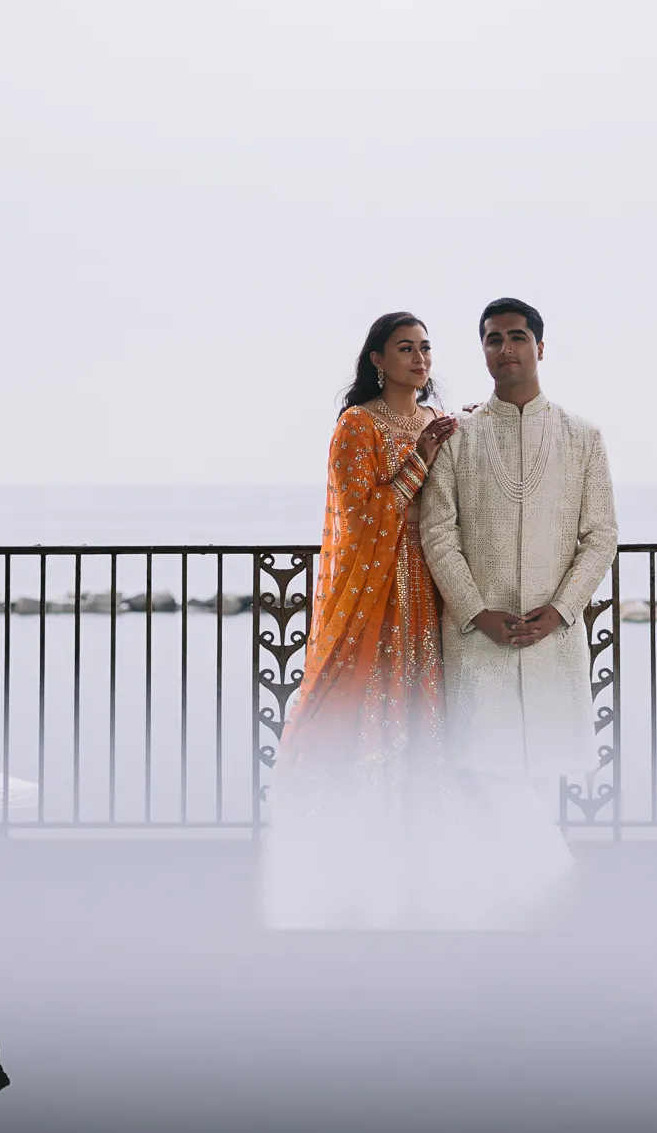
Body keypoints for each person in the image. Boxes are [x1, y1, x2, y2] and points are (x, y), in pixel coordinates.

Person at [263, 311, 457, 927]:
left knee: (425, 708)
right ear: (377, 359)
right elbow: (358, 515)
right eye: (405, 348)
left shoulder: (434, 420)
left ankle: (423, 854)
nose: (420, 359)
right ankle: (356, 854)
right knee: (371, 704)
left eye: (425, 348)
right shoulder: (357, 425)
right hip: (375, 591)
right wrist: (420, 460)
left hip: (430, 586)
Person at [419, 297, 618, 894]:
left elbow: (601, 534)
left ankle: (520, 899)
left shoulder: (582, 437)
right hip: (479, 638)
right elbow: (437, 530)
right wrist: (476, 612)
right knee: (482, 767)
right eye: (492, 339)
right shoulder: (459, 437)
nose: (504, 348)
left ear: (539, 346)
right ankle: (557, 884)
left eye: (516, 336)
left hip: (551, 637)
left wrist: (561, 610)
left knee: (538, 774)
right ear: (483, 351)